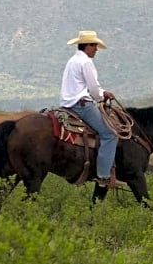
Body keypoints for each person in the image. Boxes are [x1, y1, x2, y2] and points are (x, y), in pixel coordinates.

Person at [59, 29, 117, 188]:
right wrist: (102, 95)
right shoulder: (86, 62)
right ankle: (103, 176)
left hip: (67, 103)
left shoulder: (72, 60)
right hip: (81, 104)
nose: (96, 49)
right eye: (94, 46)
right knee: (110, 134)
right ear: (87, 46)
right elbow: (93, 88)